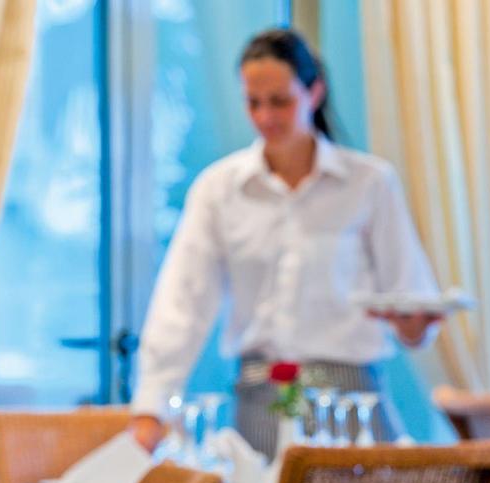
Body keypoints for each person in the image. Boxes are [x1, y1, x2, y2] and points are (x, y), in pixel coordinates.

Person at [129, 28, 441, 456]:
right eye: (253, 102)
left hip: (350, 402)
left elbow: (409, 298)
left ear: (315, 92)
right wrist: (152, 407)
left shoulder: (369, 184)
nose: (265, 117)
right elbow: (182, 303)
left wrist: (414, 324)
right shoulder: (219, 190)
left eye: (280, 101)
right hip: (259, 401)